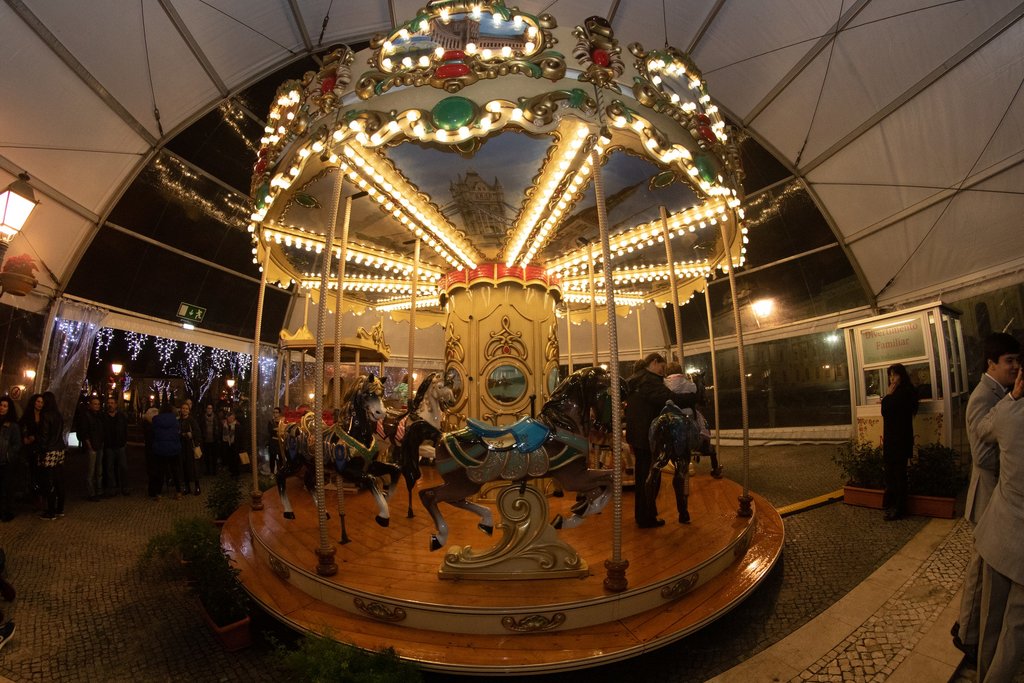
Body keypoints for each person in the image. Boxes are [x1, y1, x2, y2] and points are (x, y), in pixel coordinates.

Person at [953, 332, 1020, 662]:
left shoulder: (1001, 392)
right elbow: (981, 456)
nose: (1015, 366)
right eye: (1009, 361)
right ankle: (966, 635)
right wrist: (1012, 454)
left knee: (983, 568)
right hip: (988, 495)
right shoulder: (984, 396)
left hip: (996, 498)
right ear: (991, 363)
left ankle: (968, 628)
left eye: (1017, 360)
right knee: (980, 569)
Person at [972, 365, 1024, 682]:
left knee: (990, 618)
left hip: (1001, 536)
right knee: (1016, 630)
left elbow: (983, 430)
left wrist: (1013, 397)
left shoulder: (1010, 414)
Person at [625, 352, 697, 528]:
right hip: (648, 435)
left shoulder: (636, 379)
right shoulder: (649, 380)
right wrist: (693, 397)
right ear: (654, 362)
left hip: (637, 434)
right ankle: (647, 517)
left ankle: (645, 513)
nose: (663, 371)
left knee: (643, 474)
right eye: (662, 367)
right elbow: (670, 399)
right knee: (650, 477)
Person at [880, 363, 918, 521]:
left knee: (897, 475)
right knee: (893, 473)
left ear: (901, 376)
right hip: (896, 439)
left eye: (894, 375)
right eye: (890, 375)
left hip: (898, 440)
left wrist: (888, 396)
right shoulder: (903, 391)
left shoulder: (904, 392)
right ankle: (893, 505)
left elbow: (886, 411)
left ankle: (899, 508)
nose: (892, 379)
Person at [37, 391, 66, 520]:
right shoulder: (58, 415)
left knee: (49, 481)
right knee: (59, 479)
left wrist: (42, 450)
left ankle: (51, 511)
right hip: (59, 449)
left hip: (49, 450)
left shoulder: (45, 415)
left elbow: (44, 435)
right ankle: (60, 508)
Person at [150, 404, 182, 500]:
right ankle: (178, 492)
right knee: (175, 470)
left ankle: (158, 494)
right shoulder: (175, 420)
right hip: (173, 448)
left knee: (160, 471)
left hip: (160, 449)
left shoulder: (156, 419)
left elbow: (153, 431)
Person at [76, 396, 105, 501]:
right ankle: (91, 493)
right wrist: (89, 446)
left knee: (99, 470)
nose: (97, 406)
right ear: (90, 405)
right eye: (95, 404)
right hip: (92, 445)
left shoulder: (99, 416)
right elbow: (85, 433)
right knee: (91, 471)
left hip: (99, 445)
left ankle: (99, 491)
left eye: (98, 404)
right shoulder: (86, 416)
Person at [19, 394, 44, 508]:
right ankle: (30, 495)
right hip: (29, 448)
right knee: (29, 472)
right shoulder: (27, 415)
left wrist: (35, 437)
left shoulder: (44, 416)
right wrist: (25, 437)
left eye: (41, 402)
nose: (40, 404)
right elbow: (22, 427)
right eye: (38, 401)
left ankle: (38, 497)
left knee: (39, 473)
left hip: (39, 447)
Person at [0, 397, 22, 522]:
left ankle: (8, 511)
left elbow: (17, 444)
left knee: (7, 487)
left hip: (6, 461)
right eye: (1, 405)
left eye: (5, 406)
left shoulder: (13, 426)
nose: (2, 408)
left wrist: (9, 455)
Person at [102, 397, 129, 496]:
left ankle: (124, 486)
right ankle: (112, 487)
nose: (110, 405)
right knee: (110, 468)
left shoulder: (121, 416)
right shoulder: (104, 416)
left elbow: (125, 429)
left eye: (112, 403)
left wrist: (124, 441)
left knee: (123, 467)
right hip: (109, 445)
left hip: (120, 445)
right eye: (109, 403)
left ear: (116, 405)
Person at [178, 402, 201, 496]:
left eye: (186, 408)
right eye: (183, 408)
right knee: (184, 467)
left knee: (194, 467)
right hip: (182, 446)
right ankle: (187, 487)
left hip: (191, 447)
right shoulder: (179, 420)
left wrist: (190, 434)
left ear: (189, 410)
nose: (184, 410)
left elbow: (197, 432)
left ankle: (197, 486)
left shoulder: (192, 420)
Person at [199, 403, 222, 476]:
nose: (209, 409)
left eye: (210, 408)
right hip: (205, 440)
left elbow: (219, 427)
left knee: (214, 456)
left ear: (212, 409)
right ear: (206, 409)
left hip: (214, 440)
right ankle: (208, 471)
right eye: (208, 408)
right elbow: (200, 428)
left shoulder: (216, 418)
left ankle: (214, 471)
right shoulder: (202, 418)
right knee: (206, 457)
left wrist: (218, 436)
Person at [266, 407, 282, 474]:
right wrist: (277, 430)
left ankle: (280, 472)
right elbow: (270, 431)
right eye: (274, 412)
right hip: (273, 443)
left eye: (276, 412)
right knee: (272, 458)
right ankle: (272, 473)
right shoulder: (271, 422)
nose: (275, 414)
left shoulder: (282, 422)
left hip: (280, 442)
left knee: (281, 458)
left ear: (279, 413)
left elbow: (283, 431)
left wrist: (276, 429)